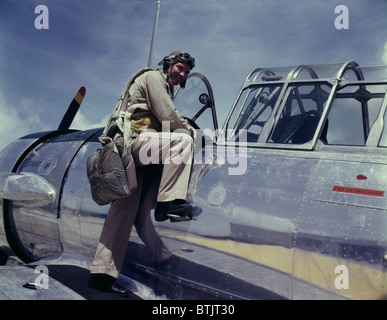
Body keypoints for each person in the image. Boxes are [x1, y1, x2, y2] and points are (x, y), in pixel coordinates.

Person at [88, 51, 197, 296]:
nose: (182, 74)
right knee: (182, 141)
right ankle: (168, 202)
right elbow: (168, 115)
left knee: (124, 213)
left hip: (139, 152)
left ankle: (101, 276)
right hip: (133, 143)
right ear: (169, 64)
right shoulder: (153, 78)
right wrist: (193, 133)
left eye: (187, 73)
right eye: (180, 68)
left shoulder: (166, 86)